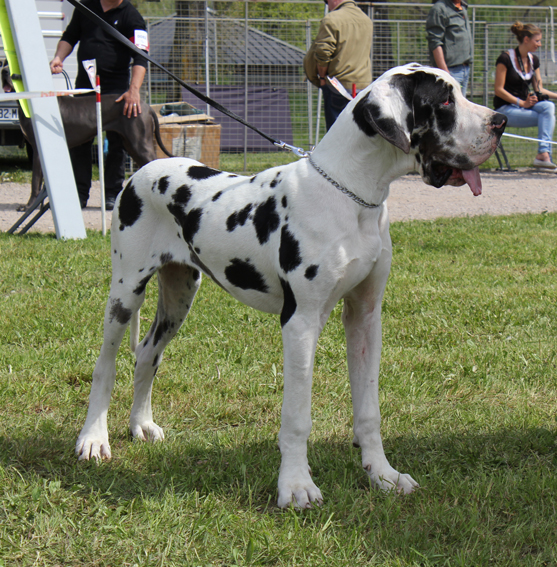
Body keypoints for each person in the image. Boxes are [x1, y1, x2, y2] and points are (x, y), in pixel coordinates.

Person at [50, 0, 149, 209]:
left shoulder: (131, 16)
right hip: (85, 89)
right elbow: (69, 37)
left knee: (117, 144)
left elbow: (141, 56)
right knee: (79, 143)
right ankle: (79, 194)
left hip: (116, 93)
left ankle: (113, 194)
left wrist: (134, 90)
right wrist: (58, 57)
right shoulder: (85, 8)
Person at [494, 22, 557, 169]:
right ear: (526, 40)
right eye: (537, 41)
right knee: (547, 119)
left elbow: (539, 88)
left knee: (548, 107)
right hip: (506, 109)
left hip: (526, 106)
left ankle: (543, 154)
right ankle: (543, 155)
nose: (540, 44)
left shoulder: (533, 60)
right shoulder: (504, 58)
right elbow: (498, 90)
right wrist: (521, 103)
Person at [304, 0, 373, 131]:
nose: (327, 5)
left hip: (338, 85)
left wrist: (322, 78)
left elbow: (323, 53)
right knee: (359, 131)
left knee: (337, 132)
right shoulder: (366, 20)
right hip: (363, 86)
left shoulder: (331, 19)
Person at [426, 0, 473, 95]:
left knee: (460, 107)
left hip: (464, 69)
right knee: (448, 107)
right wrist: (445, 73)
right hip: (450, 70)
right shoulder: (439, 9)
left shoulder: (462, 7)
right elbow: (435, 42)